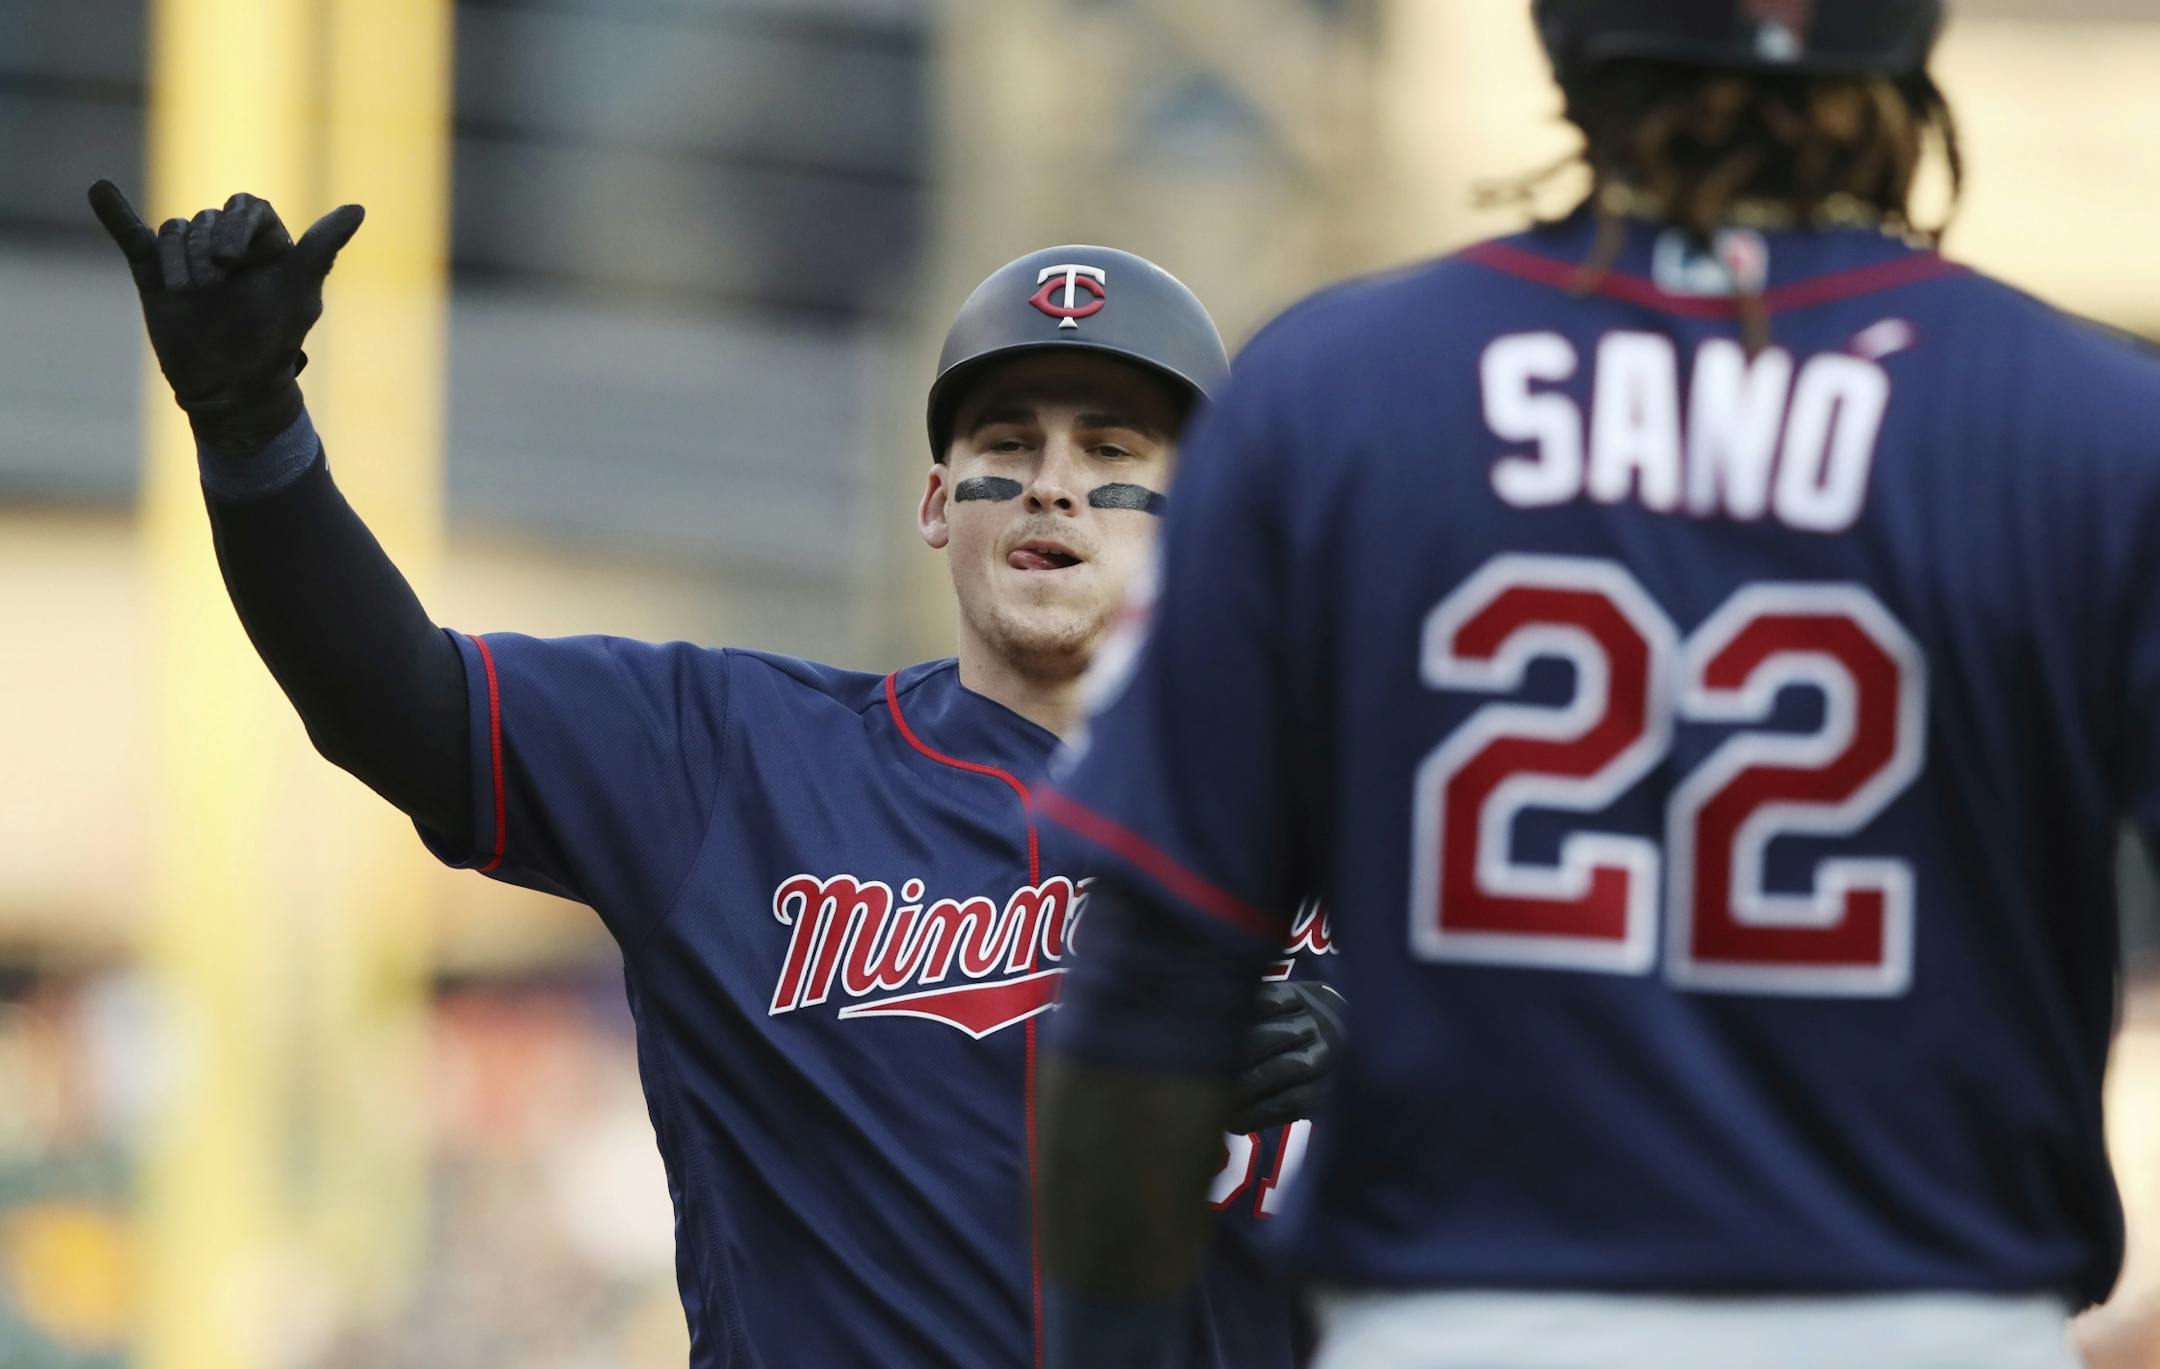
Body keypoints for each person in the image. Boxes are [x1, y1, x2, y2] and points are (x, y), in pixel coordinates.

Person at [1034, 2, 2160, 1366]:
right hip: (1933, 1319)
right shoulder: (2096, 426)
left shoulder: (1338, 392)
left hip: (1459, 1324)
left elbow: (1152, 986)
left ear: (1573, 44)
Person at [87, 177, 1344, 1368]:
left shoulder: (1354, 812)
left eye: (1112, 446)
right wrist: (254, 437)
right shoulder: (732, 754)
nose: (1054, 484)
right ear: (935, 501)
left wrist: (1387, 1042)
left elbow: (1530, 1102)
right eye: (1006, 442)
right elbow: (394, 703)